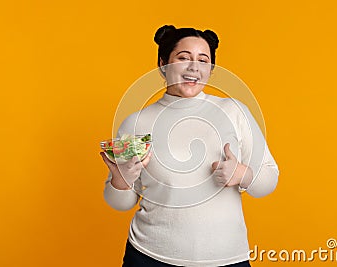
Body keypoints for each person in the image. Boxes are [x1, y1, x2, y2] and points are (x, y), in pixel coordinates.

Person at [100, 25, 279, 267]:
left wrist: (243, 174)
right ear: (163, 64)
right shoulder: (136, 122)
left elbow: (269, 179)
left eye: (203, 60)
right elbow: (119, 203)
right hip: (149, 257)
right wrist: (121, 178)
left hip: (226, 259)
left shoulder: (234, 111)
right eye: (183, 58)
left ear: (211, 69)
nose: (194, 67)